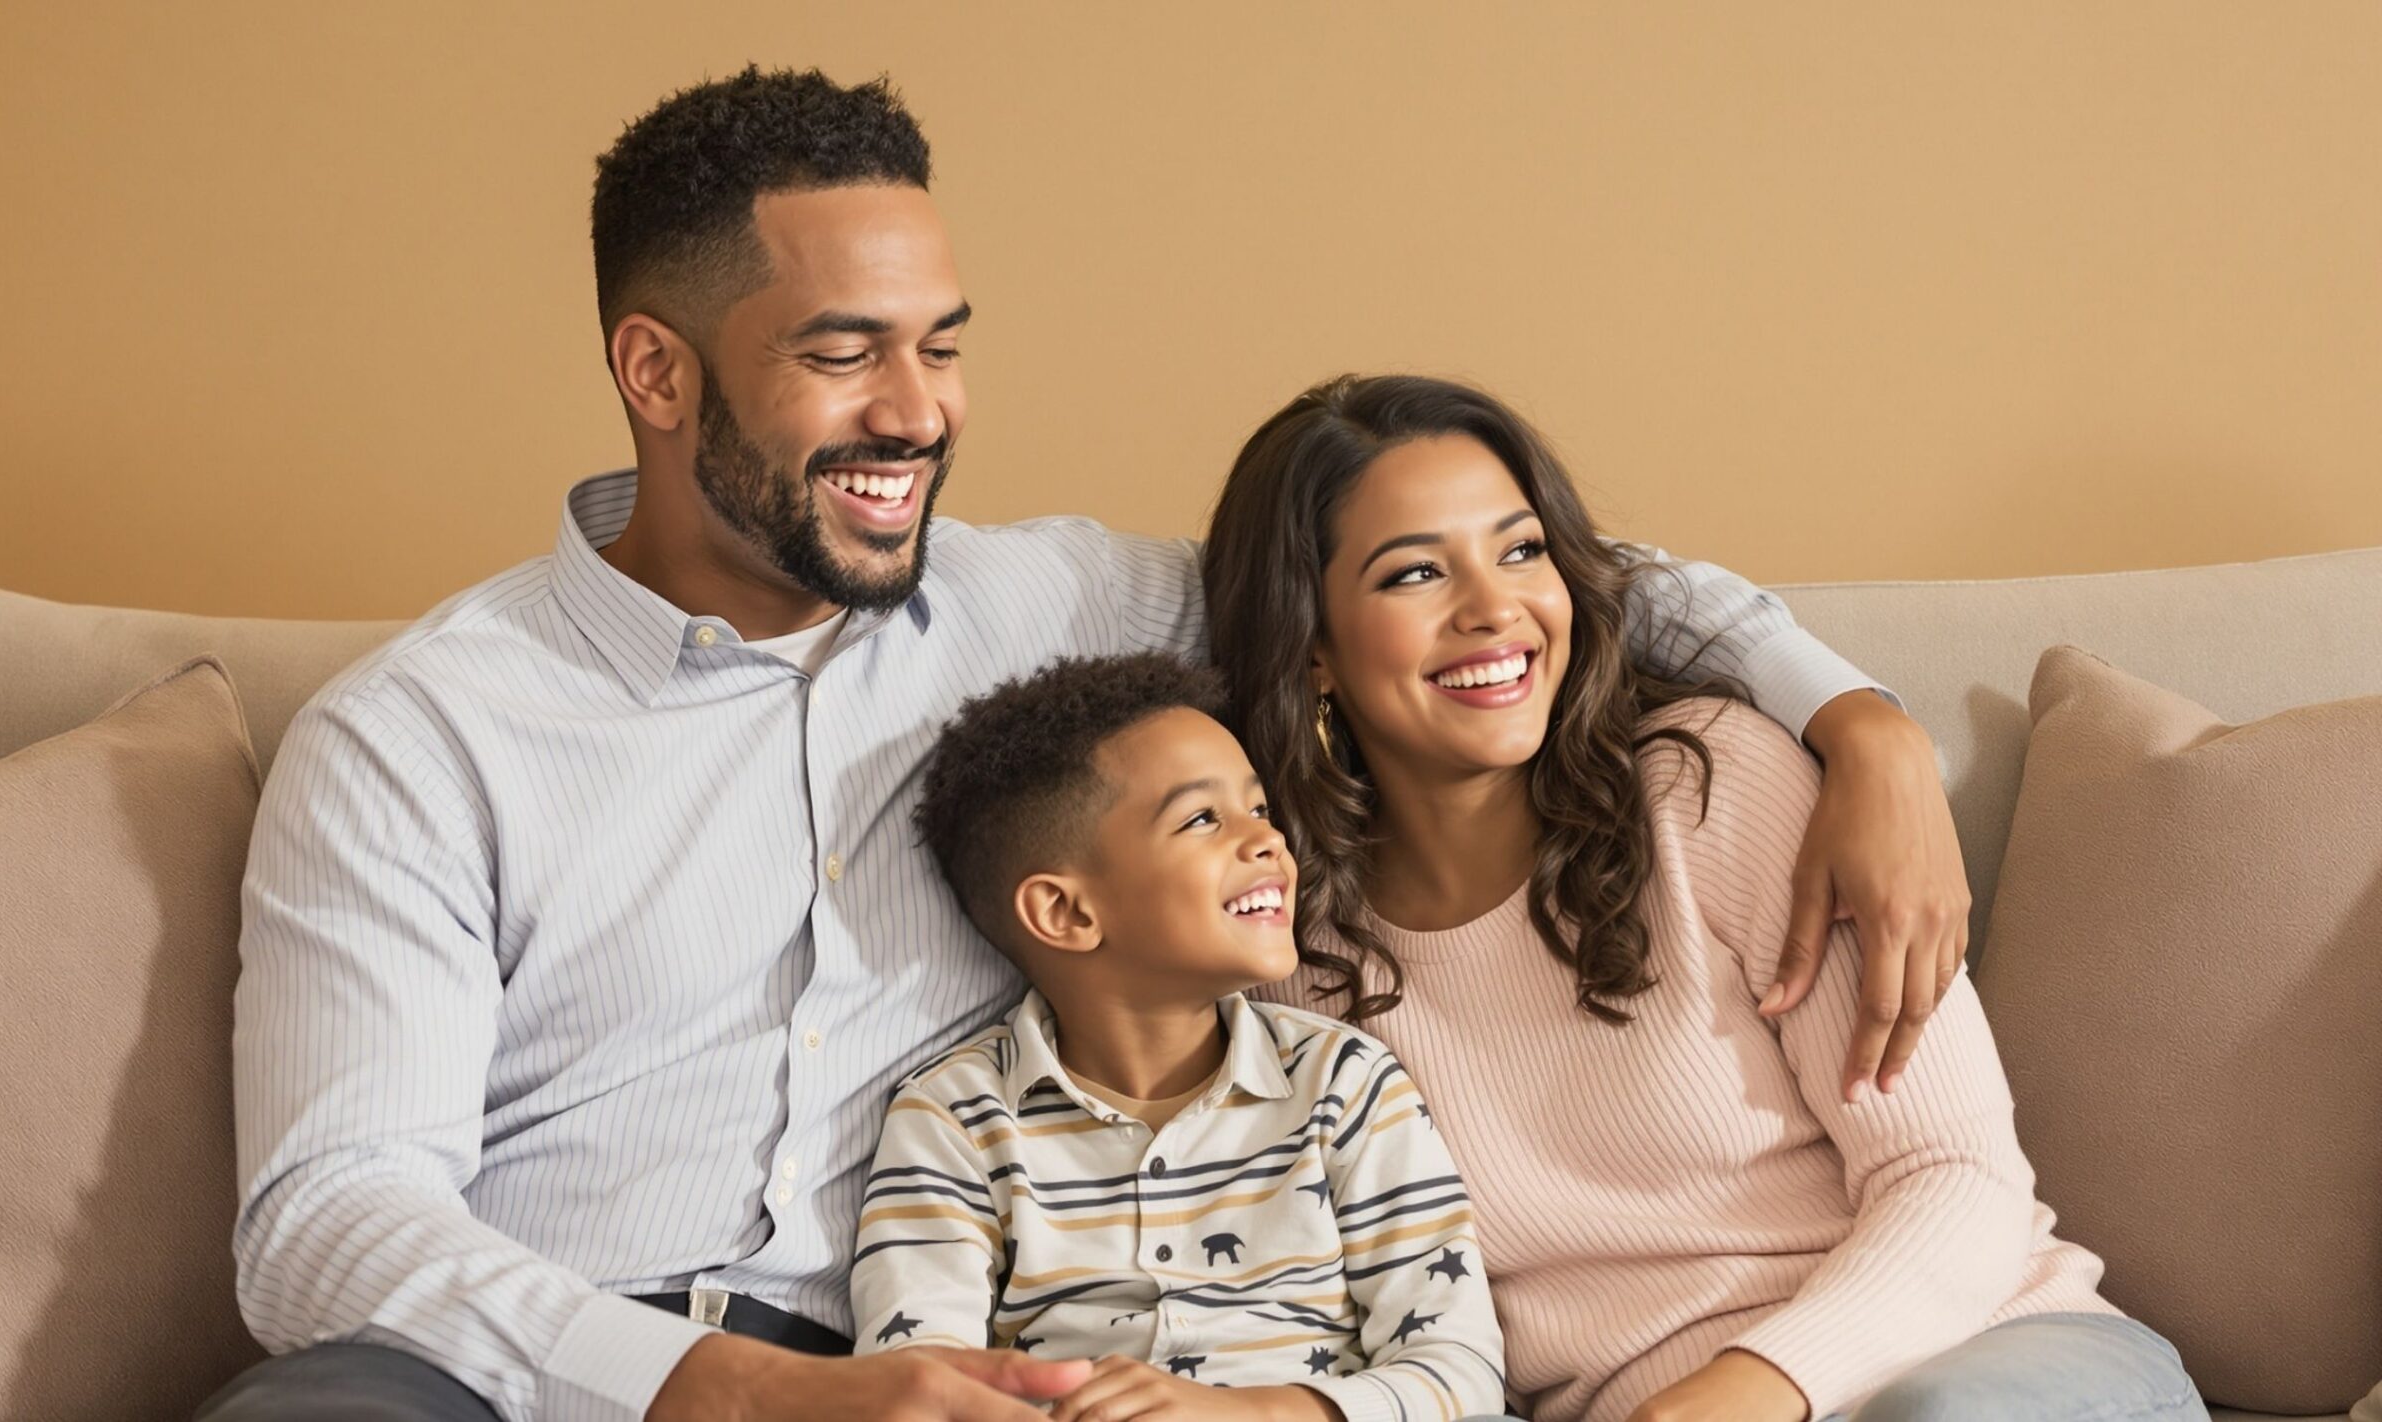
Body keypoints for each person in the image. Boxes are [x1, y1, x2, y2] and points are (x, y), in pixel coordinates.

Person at [203, 68, 1972, 1422]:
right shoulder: (421, 736)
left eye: (942, 347)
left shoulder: (1062, 606)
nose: (918, 413)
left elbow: (1485, 575)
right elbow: (324, 1221)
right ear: (656, 374)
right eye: (842, 356)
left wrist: (1859, 721)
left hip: (990, 1366)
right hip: (559, 1377)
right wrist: (734, 1392)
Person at [1204, 374, 2207, 1422]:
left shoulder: (1707, 787)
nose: (1495, 608)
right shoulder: (1287, 959)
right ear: (1311, 644)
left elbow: (1955, 1174)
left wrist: (1743, 1393)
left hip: (1991, 1357)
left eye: (1521, 549)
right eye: (1414, 573)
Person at [854, 653, 1505, 1422]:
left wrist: (1249, 1414)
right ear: (1066, 913)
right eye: (1202, 819)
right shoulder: (954, 1117)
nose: (1268, 843)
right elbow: (918, 1383)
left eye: (1260, 810)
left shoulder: (1342, 1082)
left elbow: (1459, 1370)